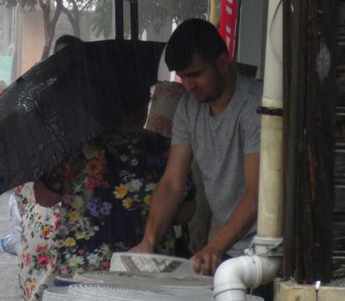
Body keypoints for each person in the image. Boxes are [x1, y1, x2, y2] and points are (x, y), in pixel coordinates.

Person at [31, 84, 195, 297]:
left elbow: (44, 198)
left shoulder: (74, 148)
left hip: (84, 271)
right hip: (148, 271)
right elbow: (186, 212)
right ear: (145, 106)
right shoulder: (164, 149)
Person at [131, 18, 263, 279]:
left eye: (195, 74)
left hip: (268, 250)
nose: (188, 85)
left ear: (222, 62)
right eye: (182, 77)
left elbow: (257, 192)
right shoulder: (188, 108)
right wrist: (148, 240)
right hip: (229, 248)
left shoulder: (254, 105)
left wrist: (214, 247)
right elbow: (171, 183)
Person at [13, 35, 82, 301]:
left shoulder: (31, 106)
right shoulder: (92, 110)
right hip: (71, 229)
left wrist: (29, 207)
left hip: (38, 223)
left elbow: (19, 179)